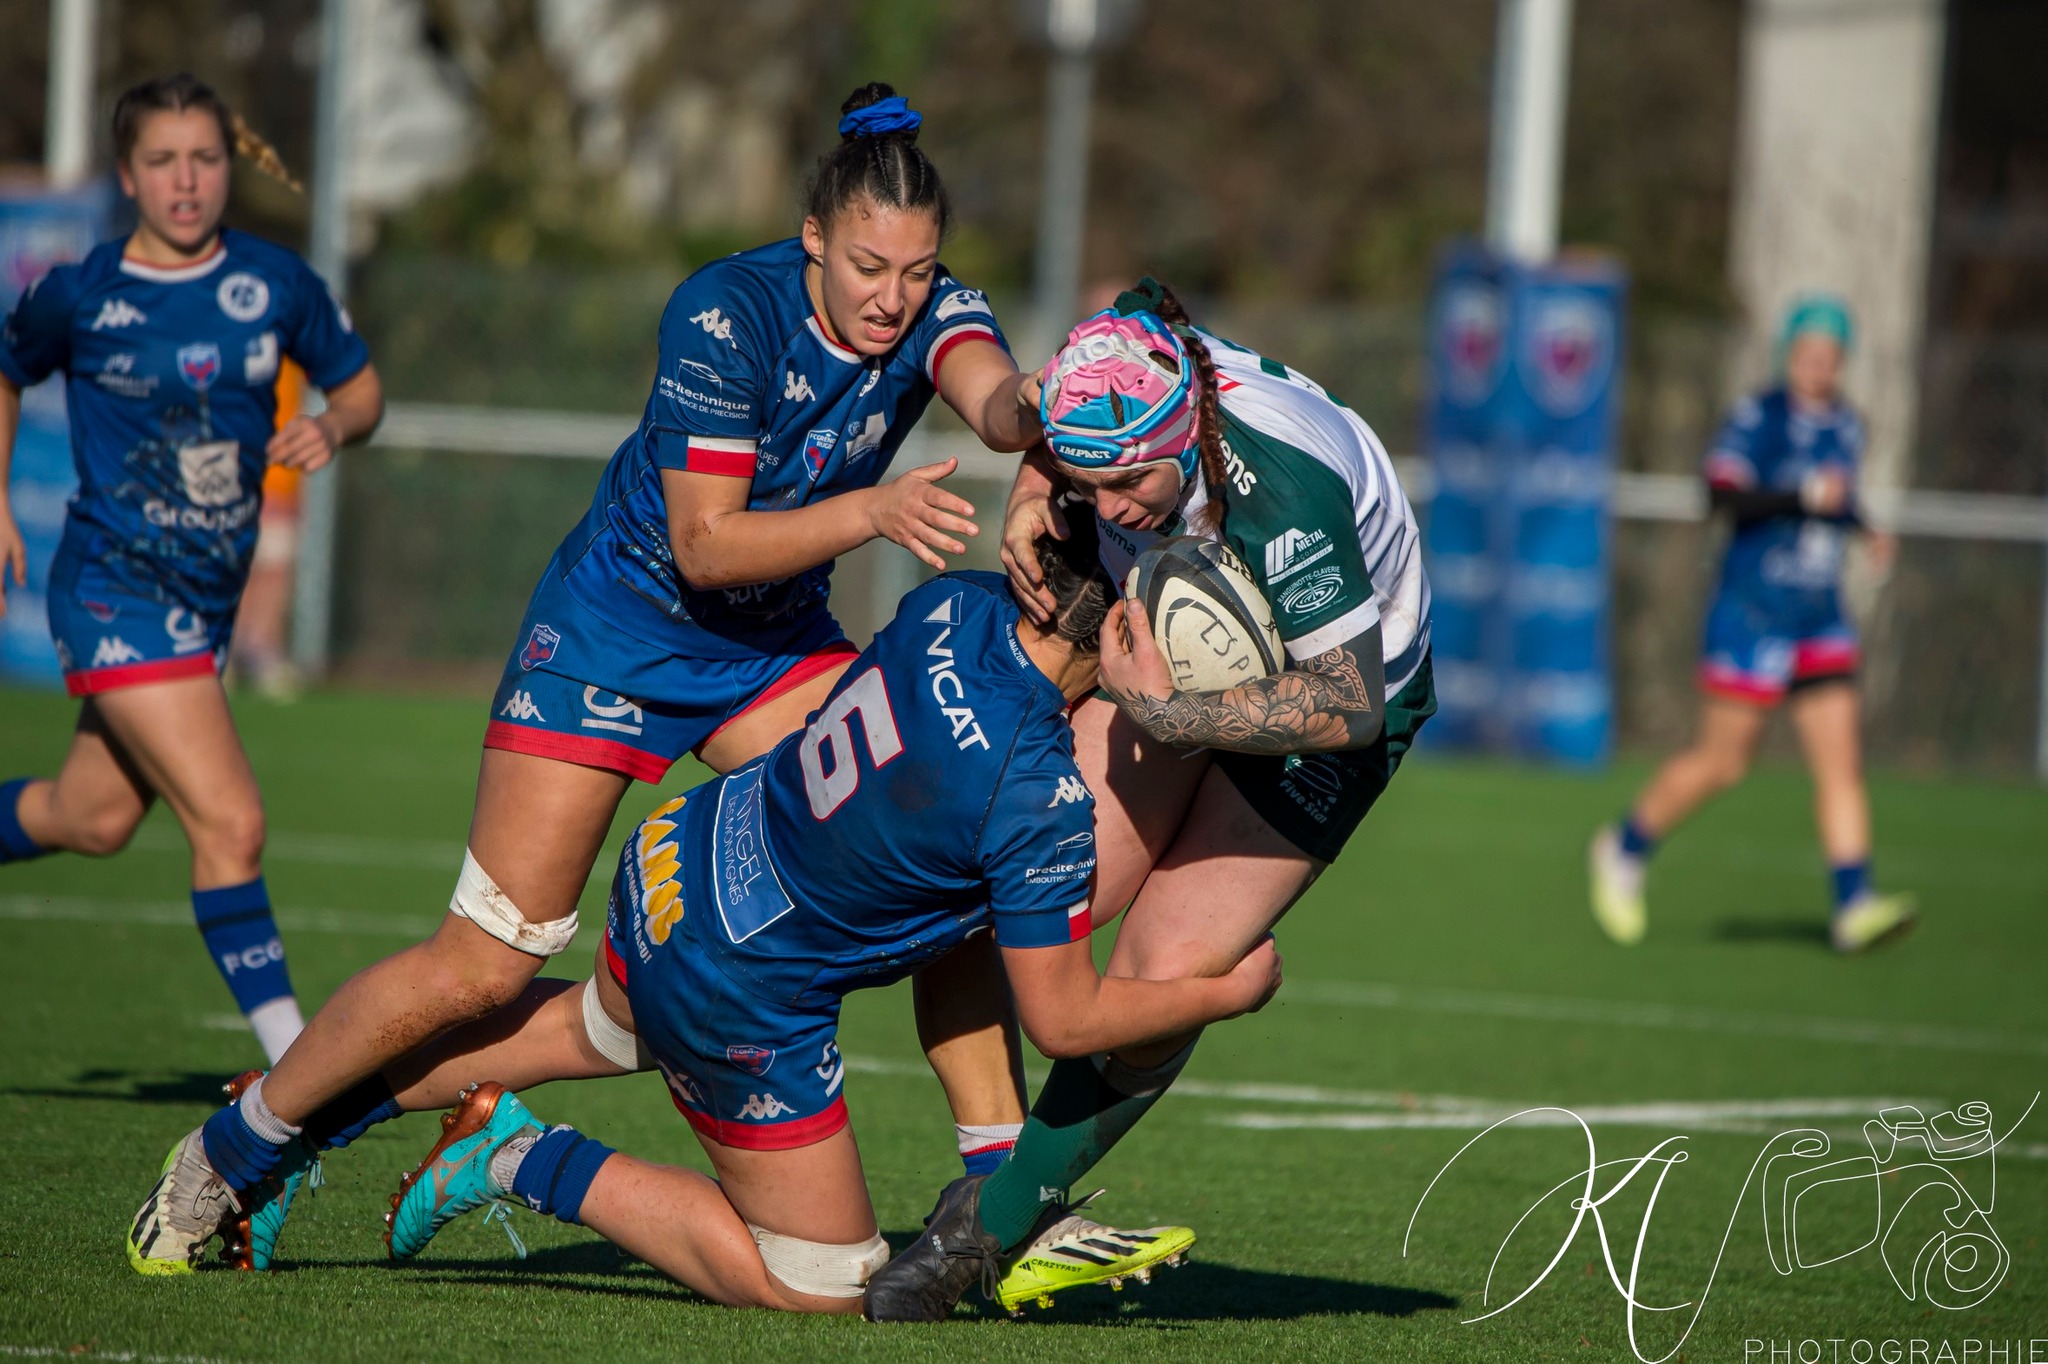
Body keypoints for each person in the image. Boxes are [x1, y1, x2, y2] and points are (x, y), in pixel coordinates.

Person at [124, 83, 1050, 1275]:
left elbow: (995, 400)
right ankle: (233, 1146)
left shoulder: (935, 311)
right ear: (814, 237)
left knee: (935, 819)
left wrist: (1059, 407)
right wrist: (870, 509)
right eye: (869, 265)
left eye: (918, 273)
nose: (893, 297)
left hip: (766, 649)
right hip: (618, 631)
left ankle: (1001, 1186)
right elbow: (705, 544)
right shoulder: (726, 311)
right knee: (484, 962)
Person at [359, 531, 1273, 1314]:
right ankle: (516, 1157)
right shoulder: (1035, 796)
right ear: (1116, 632)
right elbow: (1065, 1022)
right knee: (823, 1279)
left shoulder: (954, 602)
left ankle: (298, 1116)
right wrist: (1223, 992)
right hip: (732, 973)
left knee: (590, 1029)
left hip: (684, 852)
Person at [862, 280, 1437, 1320]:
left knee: (1156, 972)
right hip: (1179, 646)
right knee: (1015, 889)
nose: (1110, 502)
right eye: (1092, 478)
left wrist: (1174, 718)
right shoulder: (1113, 356)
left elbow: (1345, 700)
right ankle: (996, 1168)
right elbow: (1062, 395)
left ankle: (986, 1230)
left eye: (1126, 479)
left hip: (1337, 699)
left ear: (1182, 432)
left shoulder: (1280, 481)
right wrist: (1036, 487)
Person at [0, 74, 383, 1064]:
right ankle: (300, 1073)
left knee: (86, 817)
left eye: (205, 159)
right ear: (128, 175)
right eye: (163, 161)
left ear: (230, 165)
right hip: (112, 589)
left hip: (202, 603)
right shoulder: (82, 291)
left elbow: (363, 387)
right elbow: (7, 368)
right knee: (232, 821)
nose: (186, 181)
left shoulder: (275, 282)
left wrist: (332, 423)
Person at [1588, 294, 1912, 954]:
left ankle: (1853, 905)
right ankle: (1623, 846)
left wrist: (1866, 530)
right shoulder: (1759, 418)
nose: (1820, 366)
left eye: (1831, 356)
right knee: (1724, 762)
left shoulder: (1847, 426)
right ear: (1788, 356)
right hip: (1752, 612)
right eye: (1808, 353)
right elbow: (1722, 495)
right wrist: (1801, 497)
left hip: (1819, 615)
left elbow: (1835, 500)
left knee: (1841, 763)